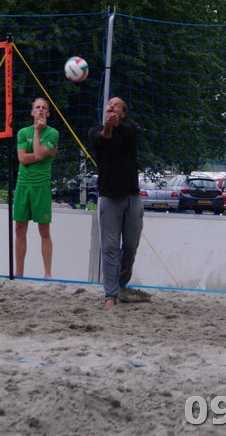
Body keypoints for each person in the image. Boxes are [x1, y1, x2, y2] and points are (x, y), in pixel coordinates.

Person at [88, 97, 149, 309]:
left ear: (123, 113)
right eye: (109, 104)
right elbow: (104, 139)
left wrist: (116, 125)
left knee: (130, 247)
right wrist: (108, 126)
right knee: (110, 247)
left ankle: (121, 284)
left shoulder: (129, 128)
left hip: (132, 197)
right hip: (109, 198)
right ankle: (110, 295)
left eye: (116, 105)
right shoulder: (95, 132)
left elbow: (127, 132)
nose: (112, 106)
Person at [13, 98, 59, 278]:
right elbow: (23, 159)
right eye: (37, 107)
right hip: (23, 184)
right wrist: (42, 154)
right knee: (19, 228)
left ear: (48, 113)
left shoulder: (53, 133)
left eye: (44, 108)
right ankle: (19, 273)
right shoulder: (23, 132)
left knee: (44, 230)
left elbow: (37, 155)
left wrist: (38, 133)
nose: (40, 110)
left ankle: (48, 274)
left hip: (41, 185)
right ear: (32, 112)